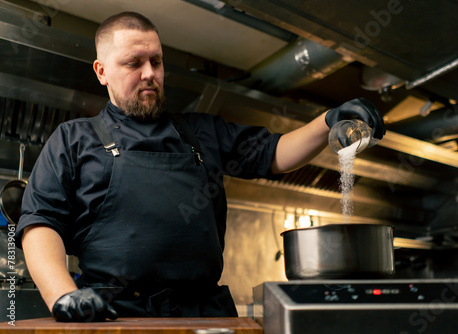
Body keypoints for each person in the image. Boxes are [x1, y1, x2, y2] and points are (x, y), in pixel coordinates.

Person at [15, 11, 385, 322]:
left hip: (204, 316)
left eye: (156, 62)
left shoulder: (202, 132)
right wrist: (63, 296)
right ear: (101, 71)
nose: (149, 73)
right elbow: (40, 222)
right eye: (133, 63)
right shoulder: (73, 139)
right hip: (114, 317)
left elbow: (275, 153)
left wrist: (328, 120)